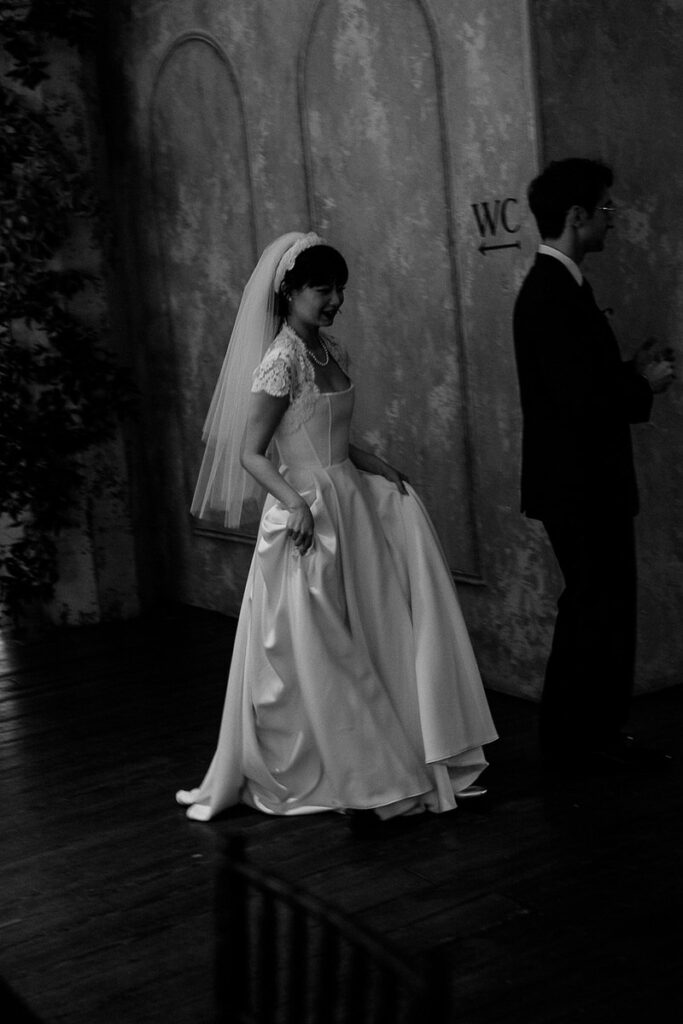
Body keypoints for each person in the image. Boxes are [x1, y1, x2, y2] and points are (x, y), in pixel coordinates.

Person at [176, 231, 497, 825]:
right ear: (291, 291)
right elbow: (252, 453)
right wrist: (294, 505)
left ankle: (398, 749)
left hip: (349, 501)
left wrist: (375, 464)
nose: (334, 300)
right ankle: (349, 764)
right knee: (321, 647)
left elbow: (335, 435)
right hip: (305, 512)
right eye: (323, 289)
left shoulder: (334, 351)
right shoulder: (280, 360)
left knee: (372, 631)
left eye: (339, 289)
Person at [513, 158, 675, 767]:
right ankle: (578, 741)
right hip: (580, 484)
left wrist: (629, 370)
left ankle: (588, 738)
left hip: (582, 482)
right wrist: (645, 387)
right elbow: (580, 402)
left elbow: (580, 383)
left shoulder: (562, 286)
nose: (613, 219)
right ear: (576, 217)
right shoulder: (552, 293)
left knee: (596, 607)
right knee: (593, 609)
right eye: (605, 210)